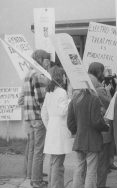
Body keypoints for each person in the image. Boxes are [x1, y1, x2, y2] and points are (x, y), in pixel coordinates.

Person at [18, 49, 51, 188]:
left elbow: (24, 98)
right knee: (39, 149)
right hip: (38, 117)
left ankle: (33, 175)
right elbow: (41, 98)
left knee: (33, 148)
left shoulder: (28, 74)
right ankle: (36, 181)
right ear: (40, 59)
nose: (49, 61)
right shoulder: (38, 74)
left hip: (29, 117)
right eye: (47, 59)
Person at [67, 88, 108, 188]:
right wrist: (106, 126)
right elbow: (96, 121)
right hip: (92, 141)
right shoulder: (94, 99)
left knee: (79, 168)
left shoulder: (74, 100)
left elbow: (70, 123)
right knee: (91, 171)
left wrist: (77, 131)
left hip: (79, 139)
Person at [41, 66, 73, 188]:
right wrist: (70, 99)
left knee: (54, 162)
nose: (66, 78)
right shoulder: (61, 92)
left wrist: (49, 127)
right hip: (60, 129)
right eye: (64, 75)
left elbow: (44, 113)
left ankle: (52, 185)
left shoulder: (49, 92)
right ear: (61, 76)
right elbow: (63, 111)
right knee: (58, 163)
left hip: (53, 128)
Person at [87, 62, 113, 188]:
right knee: (102, 162)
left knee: (94, 162)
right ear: (98, 72)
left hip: (91, 129)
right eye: (102, 71)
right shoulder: (99, 89)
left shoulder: (86, 86)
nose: (104, 74)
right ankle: (100, 185)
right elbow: (110, 105)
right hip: (103, 130)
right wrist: (108, 92)